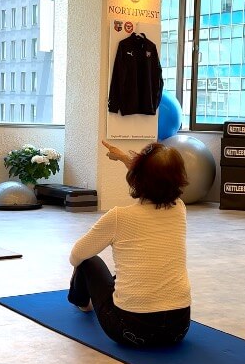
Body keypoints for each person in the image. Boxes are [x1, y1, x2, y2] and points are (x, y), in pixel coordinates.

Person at [67, 140, 192, 347]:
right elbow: (157, 179)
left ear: (136, 178)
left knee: (89, 261)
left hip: (129, 330)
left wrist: (129, 163)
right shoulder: (179, 209)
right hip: (178, 330)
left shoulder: (119, 217)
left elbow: (76, 255)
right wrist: (124, 157)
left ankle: (82, 302)